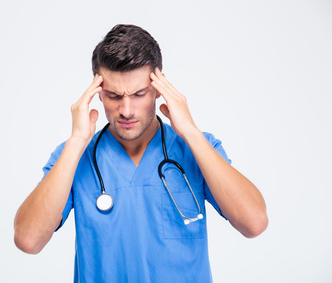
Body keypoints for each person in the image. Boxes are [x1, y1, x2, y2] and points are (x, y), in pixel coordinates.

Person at [14, 24, 268, 282]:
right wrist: (77, 141)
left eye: (138, 94)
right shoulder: (73, 158)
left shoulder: (197, 149)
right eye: (114, 95)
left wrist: (190, 132)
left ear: (159, 89)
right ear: (97, 93)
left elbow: (254, 223)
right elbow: (28, 240)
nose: (126, 110)